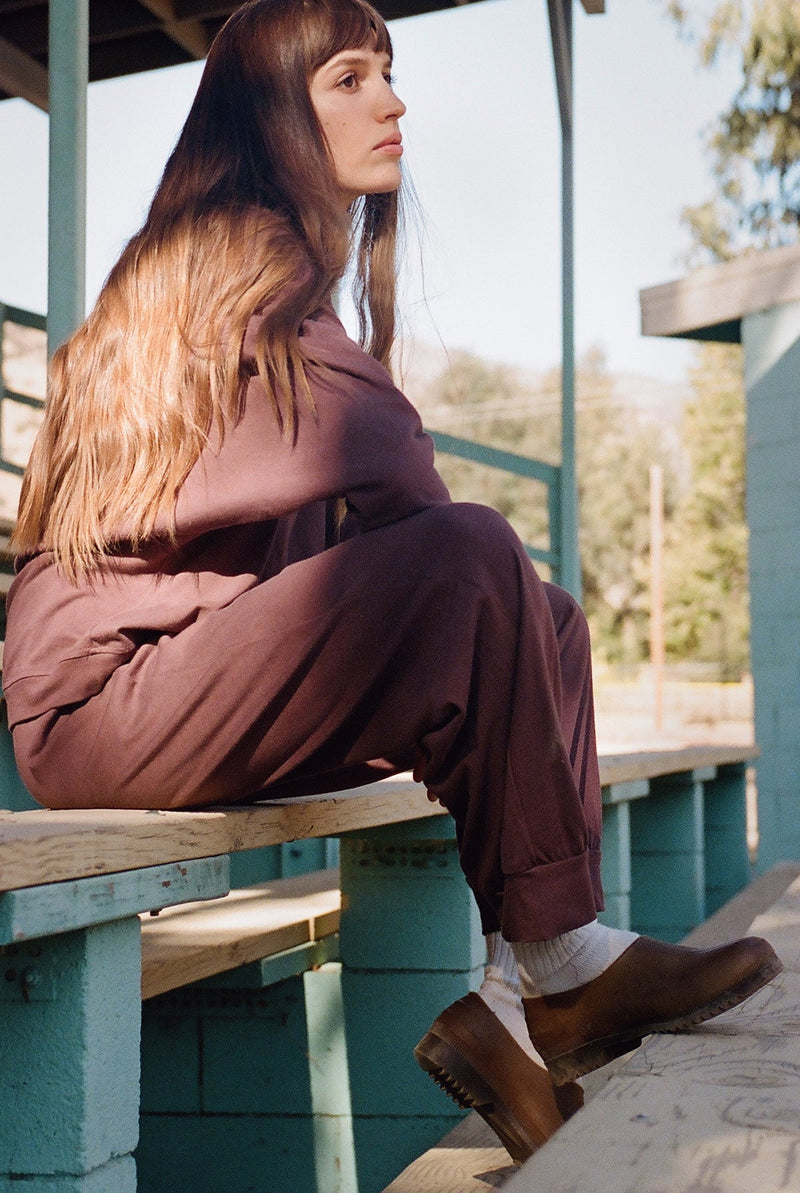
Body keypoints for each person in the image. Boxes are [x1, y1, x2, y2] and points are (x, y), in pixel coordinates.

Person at [3, 0, 780, 1165]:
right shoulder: (229, 263)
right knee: (476, 565)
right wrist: (475, 626)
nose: (393, 101)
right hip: (106, 704)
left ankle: (526, 992)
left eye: (388, 72)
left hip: (176, 684)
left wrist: (505, 638)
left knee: (542, 616)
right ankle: (554, 968)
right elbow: (381, 464)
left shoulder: (262, 270)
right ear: (275, 111)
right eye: (350, 79)